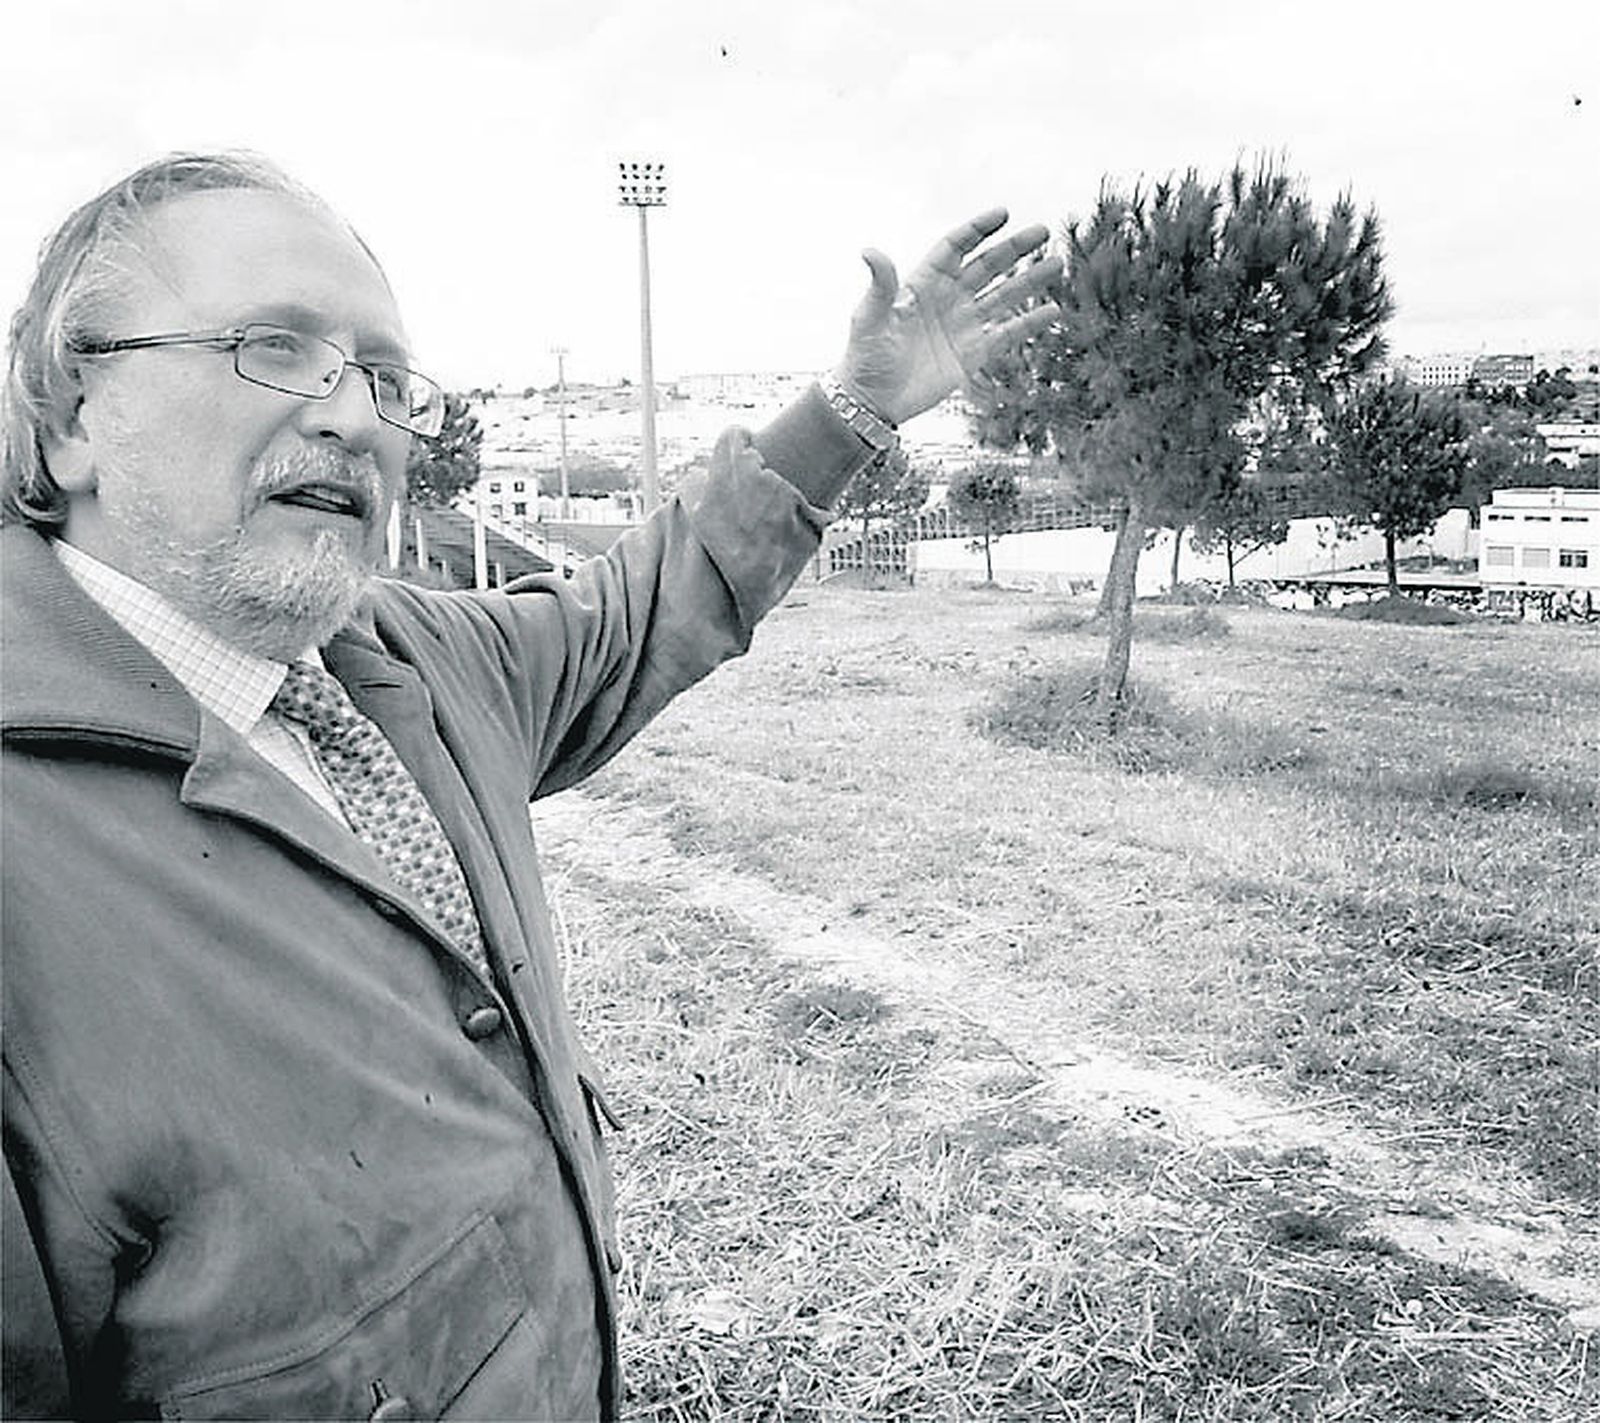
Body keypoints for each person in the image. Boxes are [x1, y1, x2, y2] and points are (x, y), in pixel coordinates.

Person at [0, 152, 1059, 1420]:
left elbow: (643, 605)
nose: (354, 419)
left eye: (386, 379)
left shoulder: (411, 657)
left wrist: (852, 413)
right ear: (69, 416)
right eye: (273, 348)